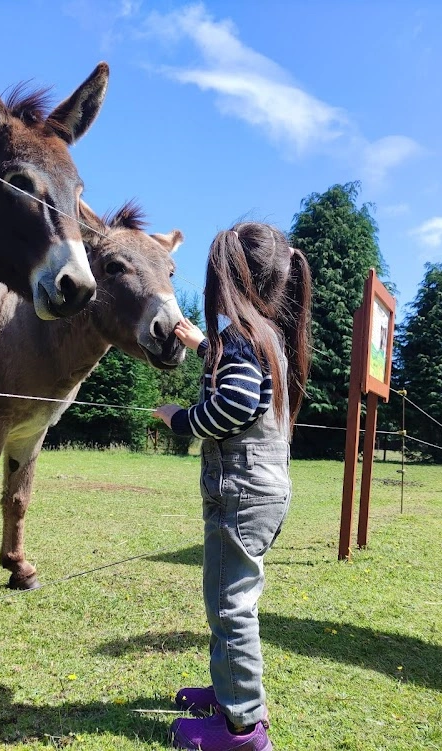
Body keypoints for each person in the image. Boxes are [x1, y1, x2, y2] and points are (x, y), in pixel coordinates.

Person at [153, 222, 312, 751]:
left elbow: (235, 405)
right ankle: (229, 695)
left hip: (240, 490)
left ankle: (242, 728)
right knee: (232, 596)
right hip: (263, 487)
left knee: (229, 604)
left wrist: (181, 420)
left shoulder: (241, 338)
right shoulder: (266, 338)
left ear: (232, 278)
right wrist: (203, 346)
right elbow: (243, 380)